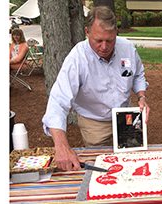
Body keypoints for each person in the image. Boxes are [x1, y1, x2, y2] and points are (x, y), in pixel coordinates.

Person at [41, 6, 149, 171]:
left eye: (110, 40)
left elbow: (137, 75)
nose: (104, 47)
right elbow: (58, 101)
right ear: (87, 31)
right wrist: (61, 146)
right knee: (103, 169)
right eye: (98, 40)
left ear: (116, 32)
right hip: (95, 123)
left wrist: (142, 97)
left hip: (126, 118)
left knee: (130, 164)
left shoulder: (127, 48)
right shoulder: (77, 58)